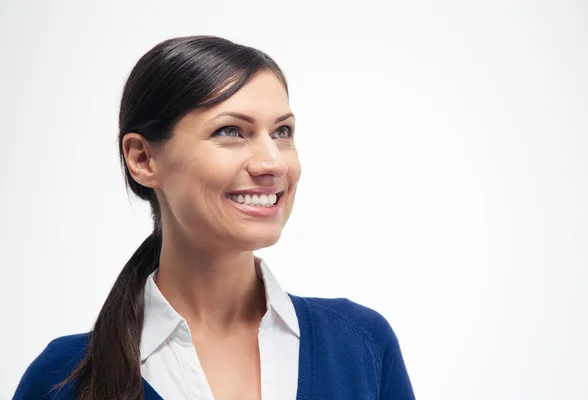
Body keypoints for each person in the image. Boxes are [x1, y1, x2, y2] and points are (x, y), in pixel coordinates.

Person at [13, 35, 415, 400]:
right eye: (230, 132)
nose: (272, 162)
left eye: (282, 132)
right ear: (142, 158)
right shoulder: (64, 379)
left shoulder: (359, 344)